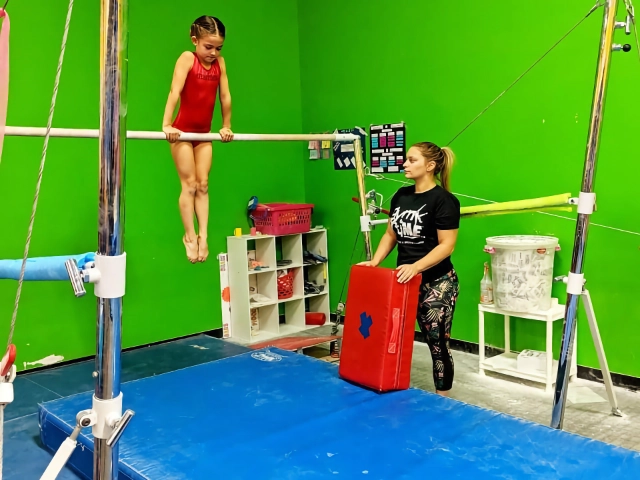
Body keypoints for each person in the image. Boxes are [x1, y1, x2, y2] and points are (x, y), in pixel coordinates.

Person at [359, 142, 460, 396]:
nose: (405, 164)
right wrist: (375, 261)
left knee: (437, 344)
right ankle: (389, 384)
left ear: (430, 166)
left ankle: (443, 400)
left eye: (412, 160)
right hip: (403, 281)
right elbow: (390, 235)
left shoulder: (444, 201)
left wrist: (416, 267)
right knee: (393, 337)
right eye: (406, 159)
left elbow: (446, 245)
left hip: (437, 283)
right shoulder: (401, 196)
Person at [162, 15, 234, 263]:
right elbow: (175, 90)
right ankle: (189, 236)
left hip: (203, 134)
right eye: (208, 47)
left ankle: (204, 235)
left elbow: (225, 96)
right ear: (195, 40)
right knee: (190, 184)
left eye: (218, 48)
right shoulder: (187, 59)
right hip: (182, 132)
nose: (213, 52)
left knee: (203, 184)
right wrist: (167, 124)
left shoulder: (220, 64)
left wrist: (226, 126)